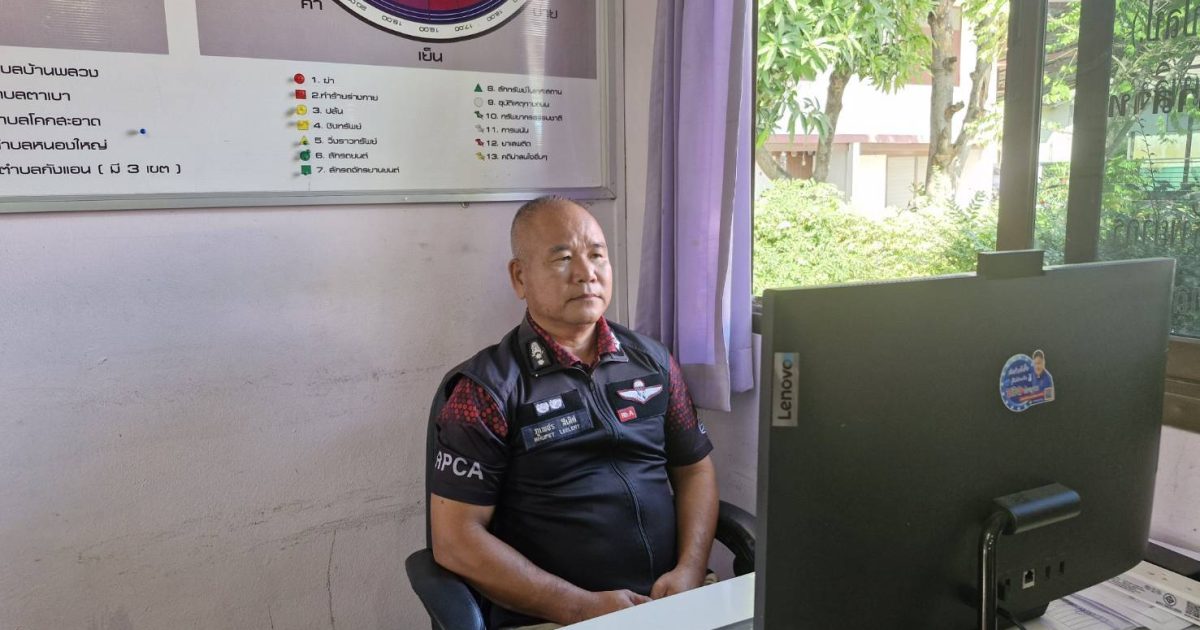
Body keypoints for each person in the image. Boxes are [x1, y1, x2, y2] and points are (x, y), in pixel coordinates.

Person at [428, 196, 719, 629]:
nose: (586, 273)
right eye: (563, 258)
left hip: (672, 601)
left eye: (597, 255)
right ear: (520, 277)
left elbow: (695, 469)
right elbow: (455, 541)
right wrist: (580, 608)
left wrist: (691, 569)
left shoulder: (653, 362)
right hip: (557, 616)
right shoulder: (487, 390)